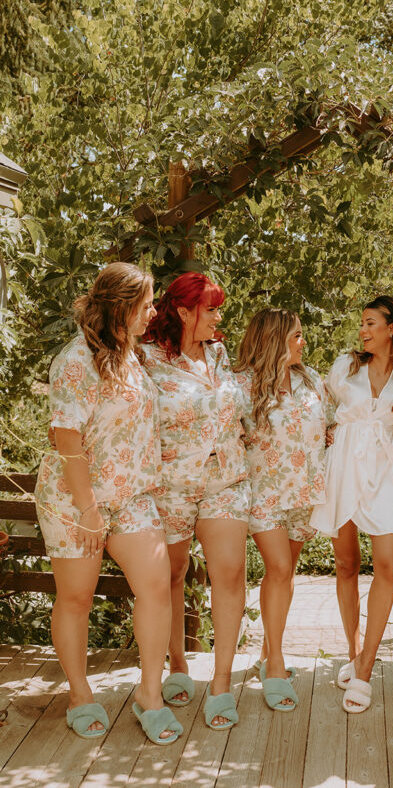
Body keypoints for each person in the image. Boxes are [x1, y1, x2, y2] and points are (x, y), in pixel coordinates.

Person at [35, 262, 180, 745]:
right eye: (146, 304)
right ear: (121, 307)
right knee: (76, 597)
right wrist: (89, 508)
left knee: (157, 585)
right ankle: (79, 694)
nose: (153, 312)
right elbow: (66, 437)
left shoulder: (129, 354)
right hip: (78, 499)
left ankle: (150, 694)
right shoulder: (77, 359)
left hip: (131, 497)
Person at [141, 272, 250, 731]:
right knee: (170, 575)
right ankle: (177, 664)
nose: (219, 318)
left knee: (229, 574)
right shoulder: (145, 359)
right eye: (212, 310)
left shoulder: (220, 355)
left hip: (224, 478)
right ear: (184, 312)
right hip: (170, 484)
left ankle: (222, 684)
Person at [311, 294, 393, 713]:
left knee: (389, 565)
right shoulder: (346, 366)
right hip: (344, 465)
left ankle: (365, 669)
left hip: (386, 470)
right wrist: (321, 436)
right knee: (346, 564)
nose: (363, 330)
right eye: (362, 323)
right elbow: (319, 407)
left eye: (371, 322)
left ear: (392, 327)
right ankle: (353, 649)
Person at [234, 308, 327, 712]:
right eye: (296, 336)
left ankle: (270, 651)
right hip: (264, 493)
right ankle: (275, 664)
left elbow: (328, 429)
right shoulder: (242, 385)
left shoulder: (310, 380)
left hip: (304, 494)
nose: (303, 342)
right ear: (274, 339)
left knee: (284, 576)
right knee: (279, 570)